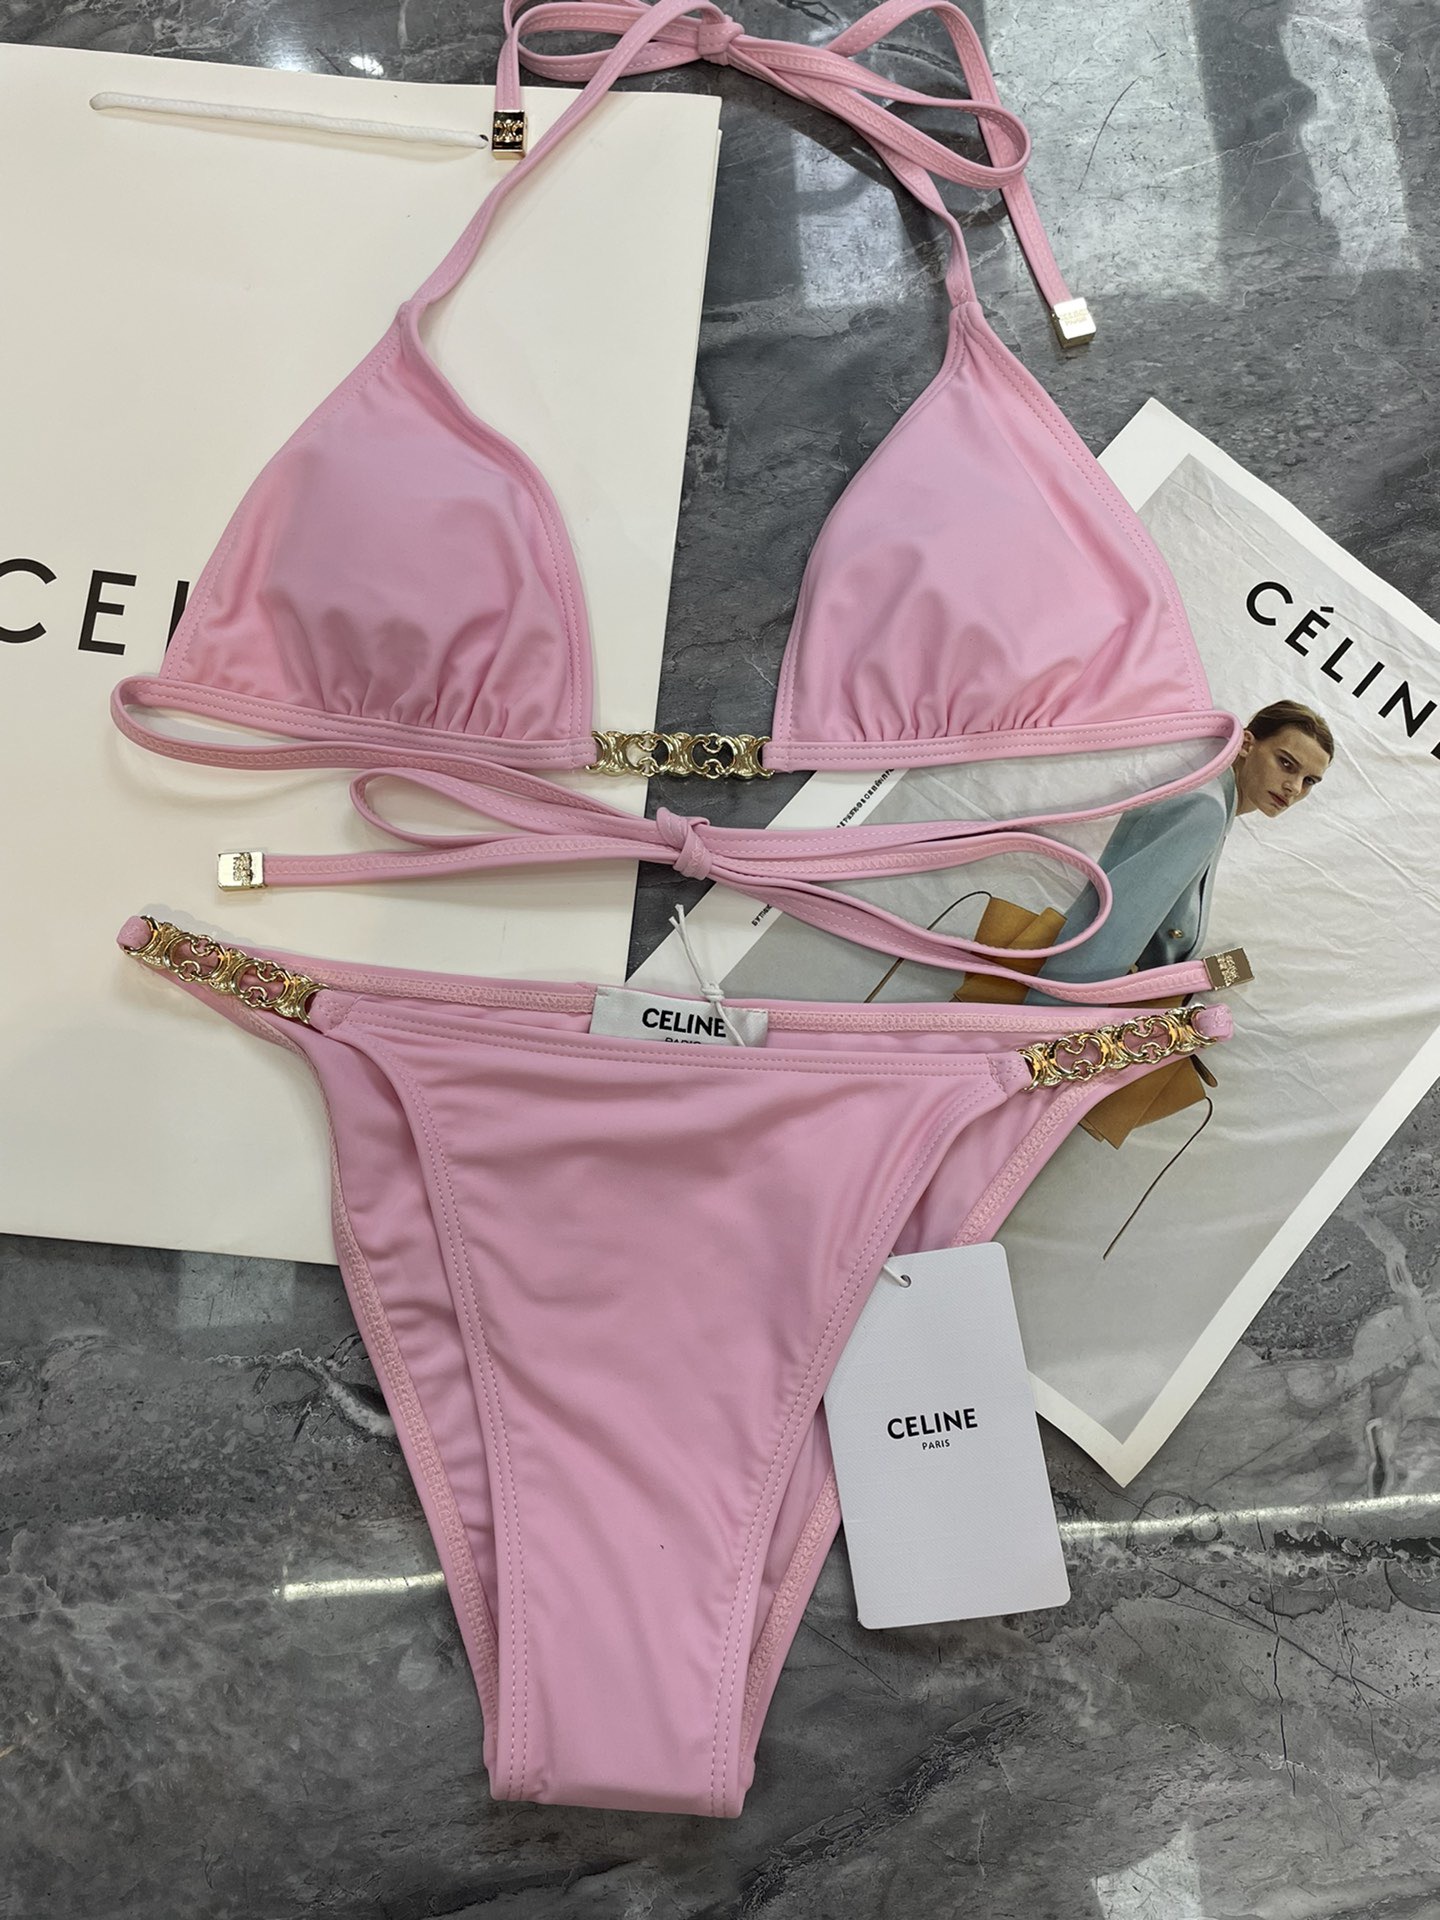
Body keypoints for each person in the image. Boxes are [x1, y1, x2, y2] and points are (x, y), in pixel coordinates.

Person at [1026, 699, 1334, 1005]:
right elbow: (1114, 928)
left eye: (1309, 781)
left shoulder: (1215, 803)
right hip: (1083, 998)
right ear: (1246, 744)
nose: (1294, 787)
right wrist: (1052, 1016)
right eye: (1286, 764)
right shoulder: (1205, 808)